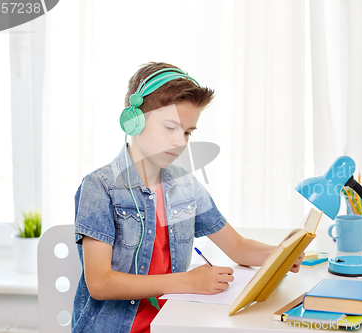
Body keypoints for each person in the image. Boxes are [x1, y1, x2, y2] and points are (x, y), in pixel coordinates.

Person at [71, 62, 305, 333]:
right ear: (134, 122)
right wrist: (187, 281)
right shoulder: (100, 187)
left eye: (187, 133)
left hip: (172, 323)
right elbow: (100, 283)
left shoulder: (185, 185)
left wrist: (282, 254)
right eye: (170, 128)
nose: (180, 142)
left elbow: (237, 246)